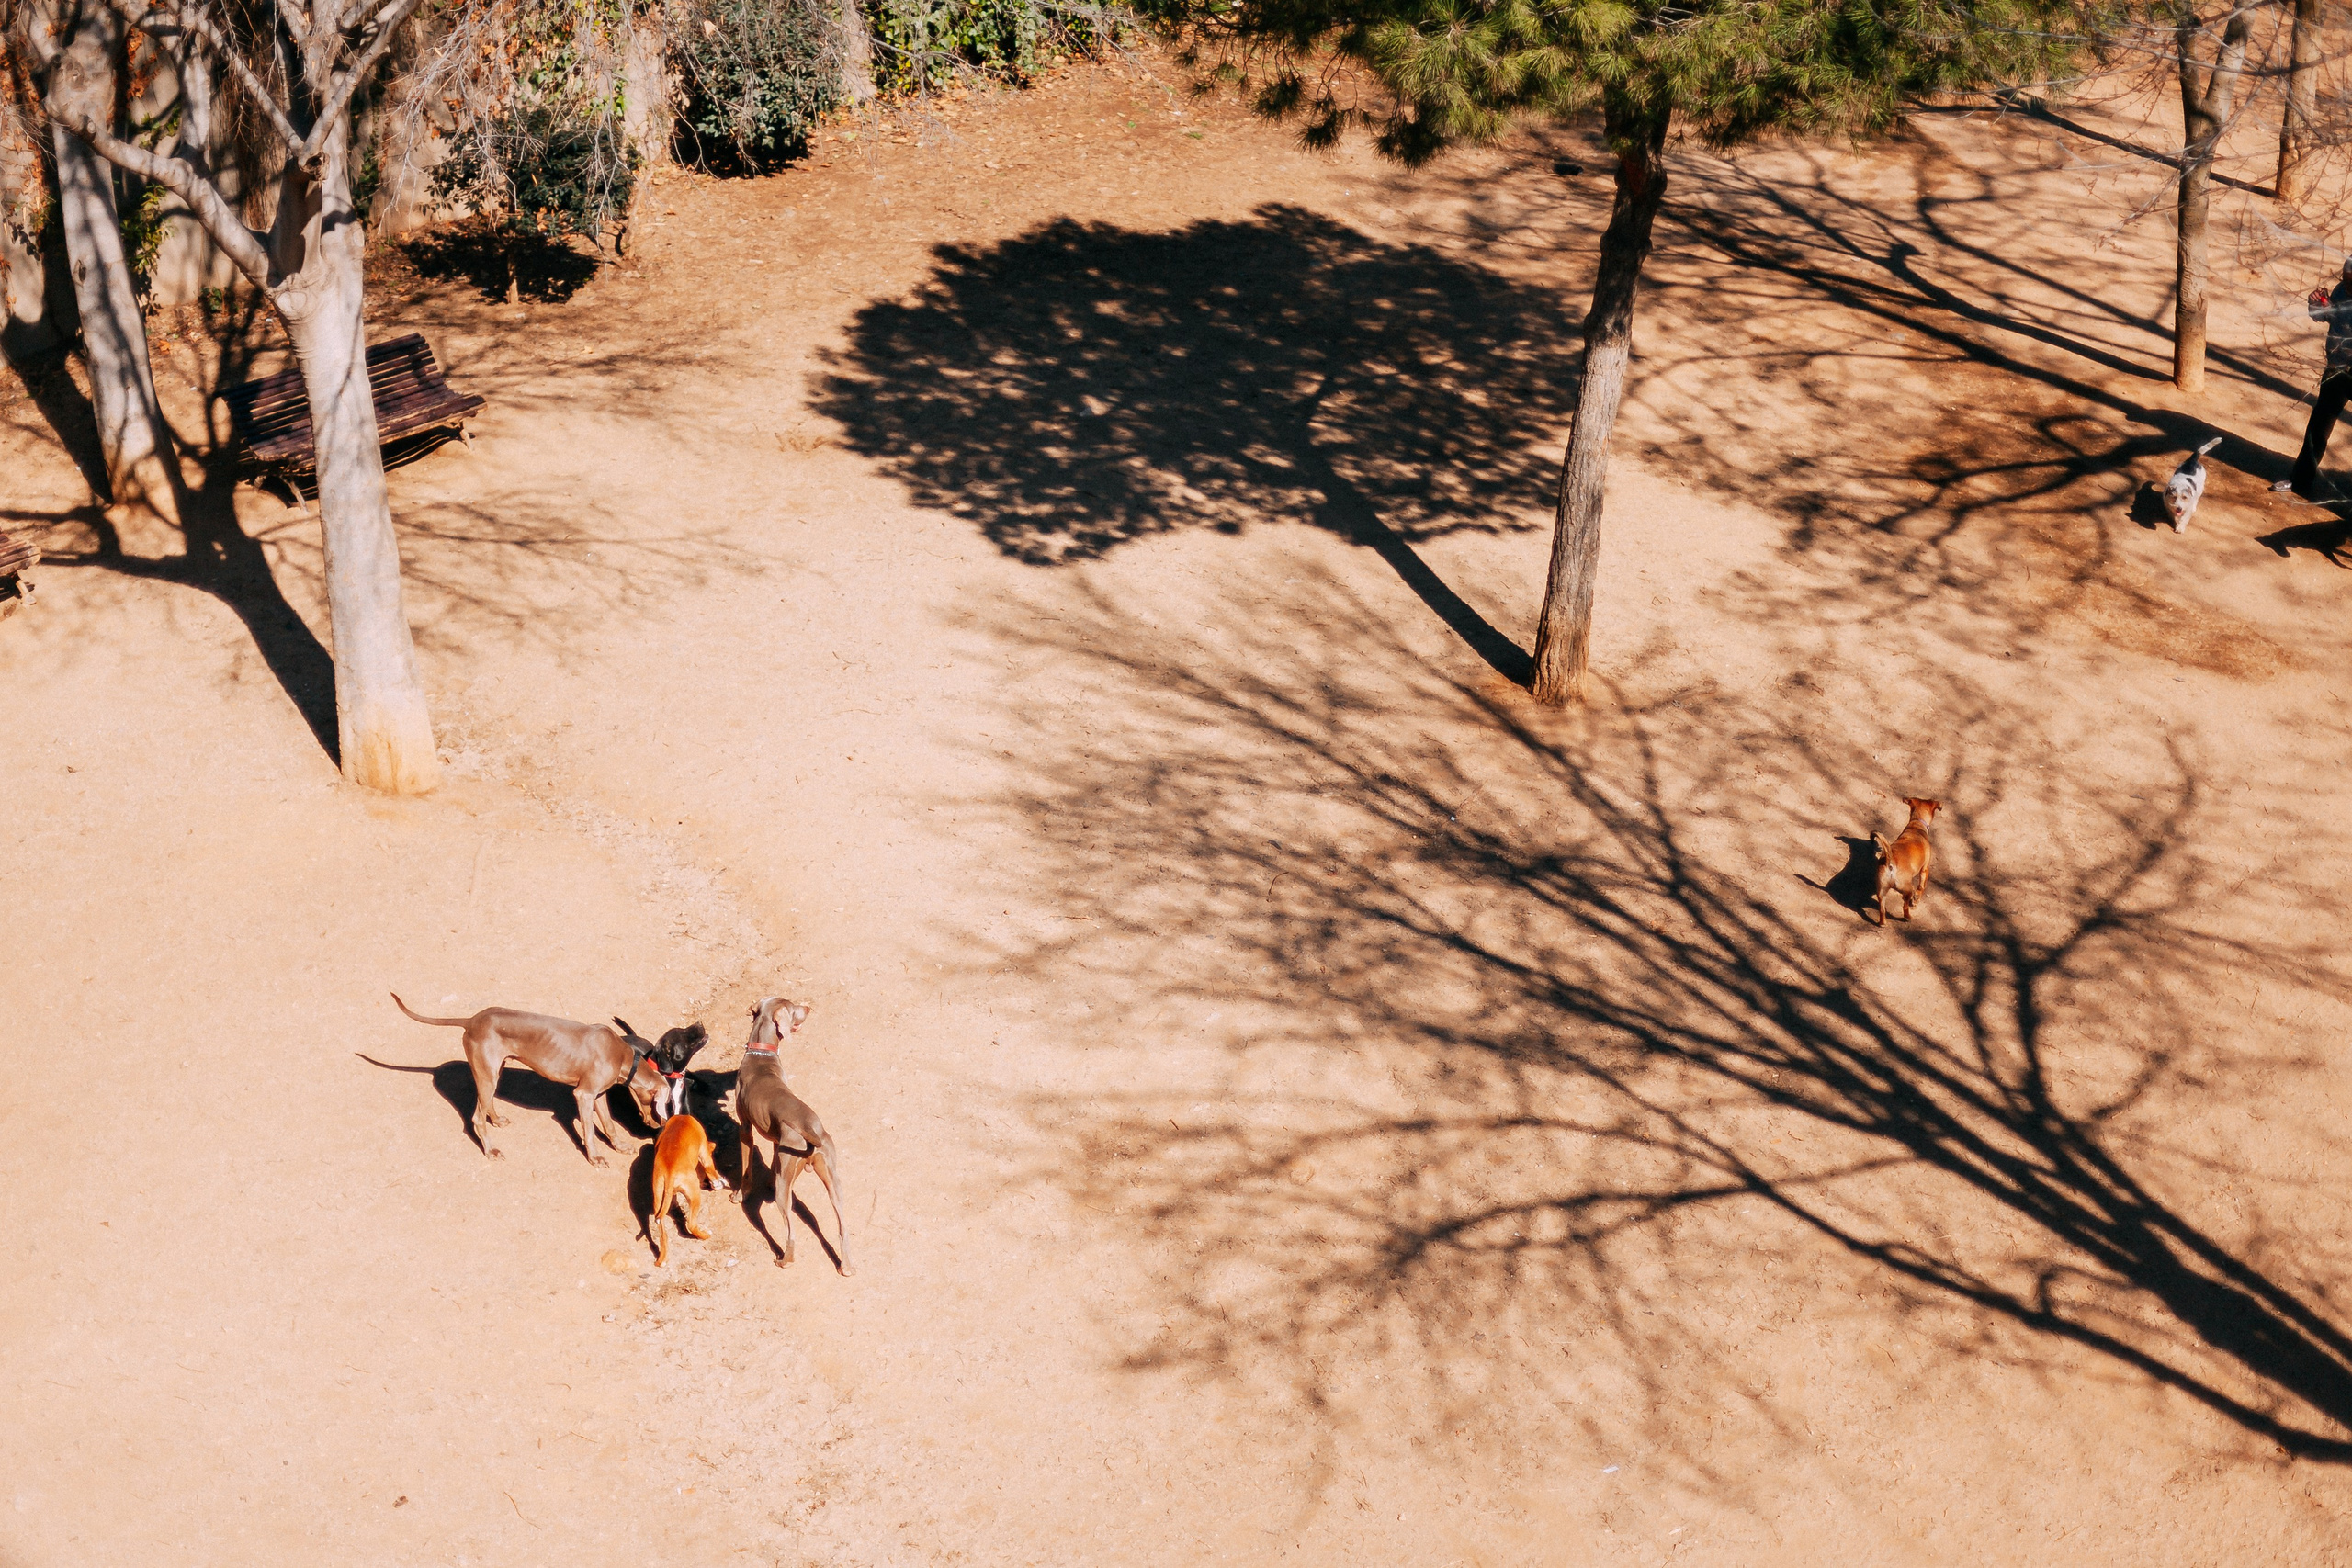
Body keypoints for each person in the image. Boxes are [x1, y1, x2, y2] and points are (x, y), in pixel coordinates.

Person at [2288, 256, 2352, 498]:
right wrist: (2316, 305)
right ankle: (2300, 482)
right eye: (2344, 280)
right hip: (2337, 370)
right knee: (2318, 428)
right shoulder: (2340, 292)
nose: (2347, 285)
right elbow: (2322, 316)